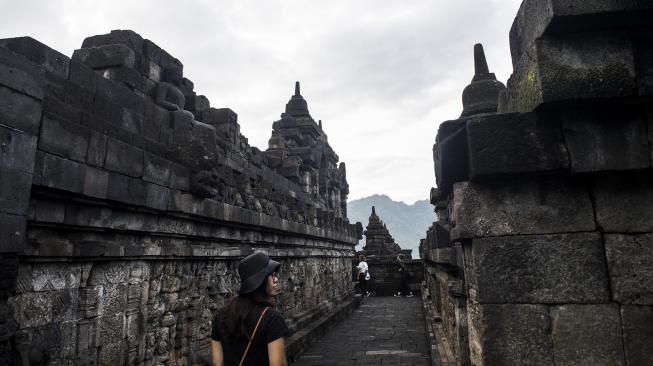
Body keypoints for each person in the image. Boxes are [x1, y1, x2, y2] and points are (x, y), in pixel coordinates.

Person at [211, 252, 289, 366]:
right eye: (272, 275)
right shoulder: (272, 318)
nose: (276, 279)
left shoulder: (221, 316)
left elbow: (217, 363)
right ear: (261, 280)